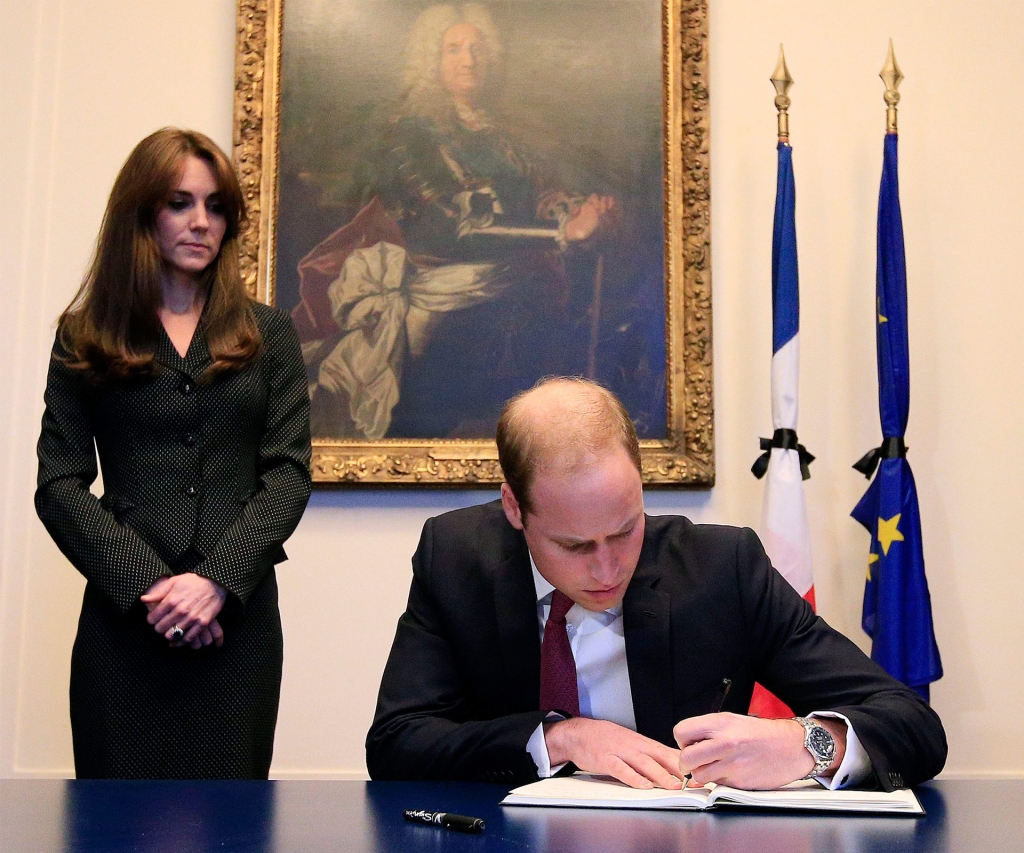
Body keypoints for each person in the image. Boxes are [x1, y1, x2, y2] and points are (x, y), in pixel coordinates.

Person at [366, 377, 947, 791]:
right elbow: (397, 743)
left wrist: (807, 745)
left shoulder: (722, 567)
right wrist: (559, 740)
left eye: (625, 531)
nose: (607, 568)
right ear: (515, 509)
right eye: (574, 545)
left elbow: (912, 723)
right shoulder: (457, 558)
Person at [35, 128, 312, 779]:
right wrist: (154, 588)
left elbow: (289, 474)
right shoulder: (85, 337)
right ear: (141, 212)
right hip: (125, 627)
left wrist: (216, 582)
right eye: (180, 202)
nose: (201, 222)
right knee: (115, 829)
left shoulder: (268, 333)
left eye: (216, 206)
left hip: (236, 626)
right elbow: (60, 483)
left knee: (231, 827)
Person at [296, 3, 617, 439]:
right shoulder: (410, 135)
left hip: (515, 287)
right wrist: (562, 233)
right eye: (453, 49)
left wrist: (578, 211)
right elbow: (454, 229)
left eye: (477, 49)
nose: (469, 60)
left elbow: (535, 195)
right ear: (432, 59)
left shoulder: (501, 134)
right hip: (449, 300)